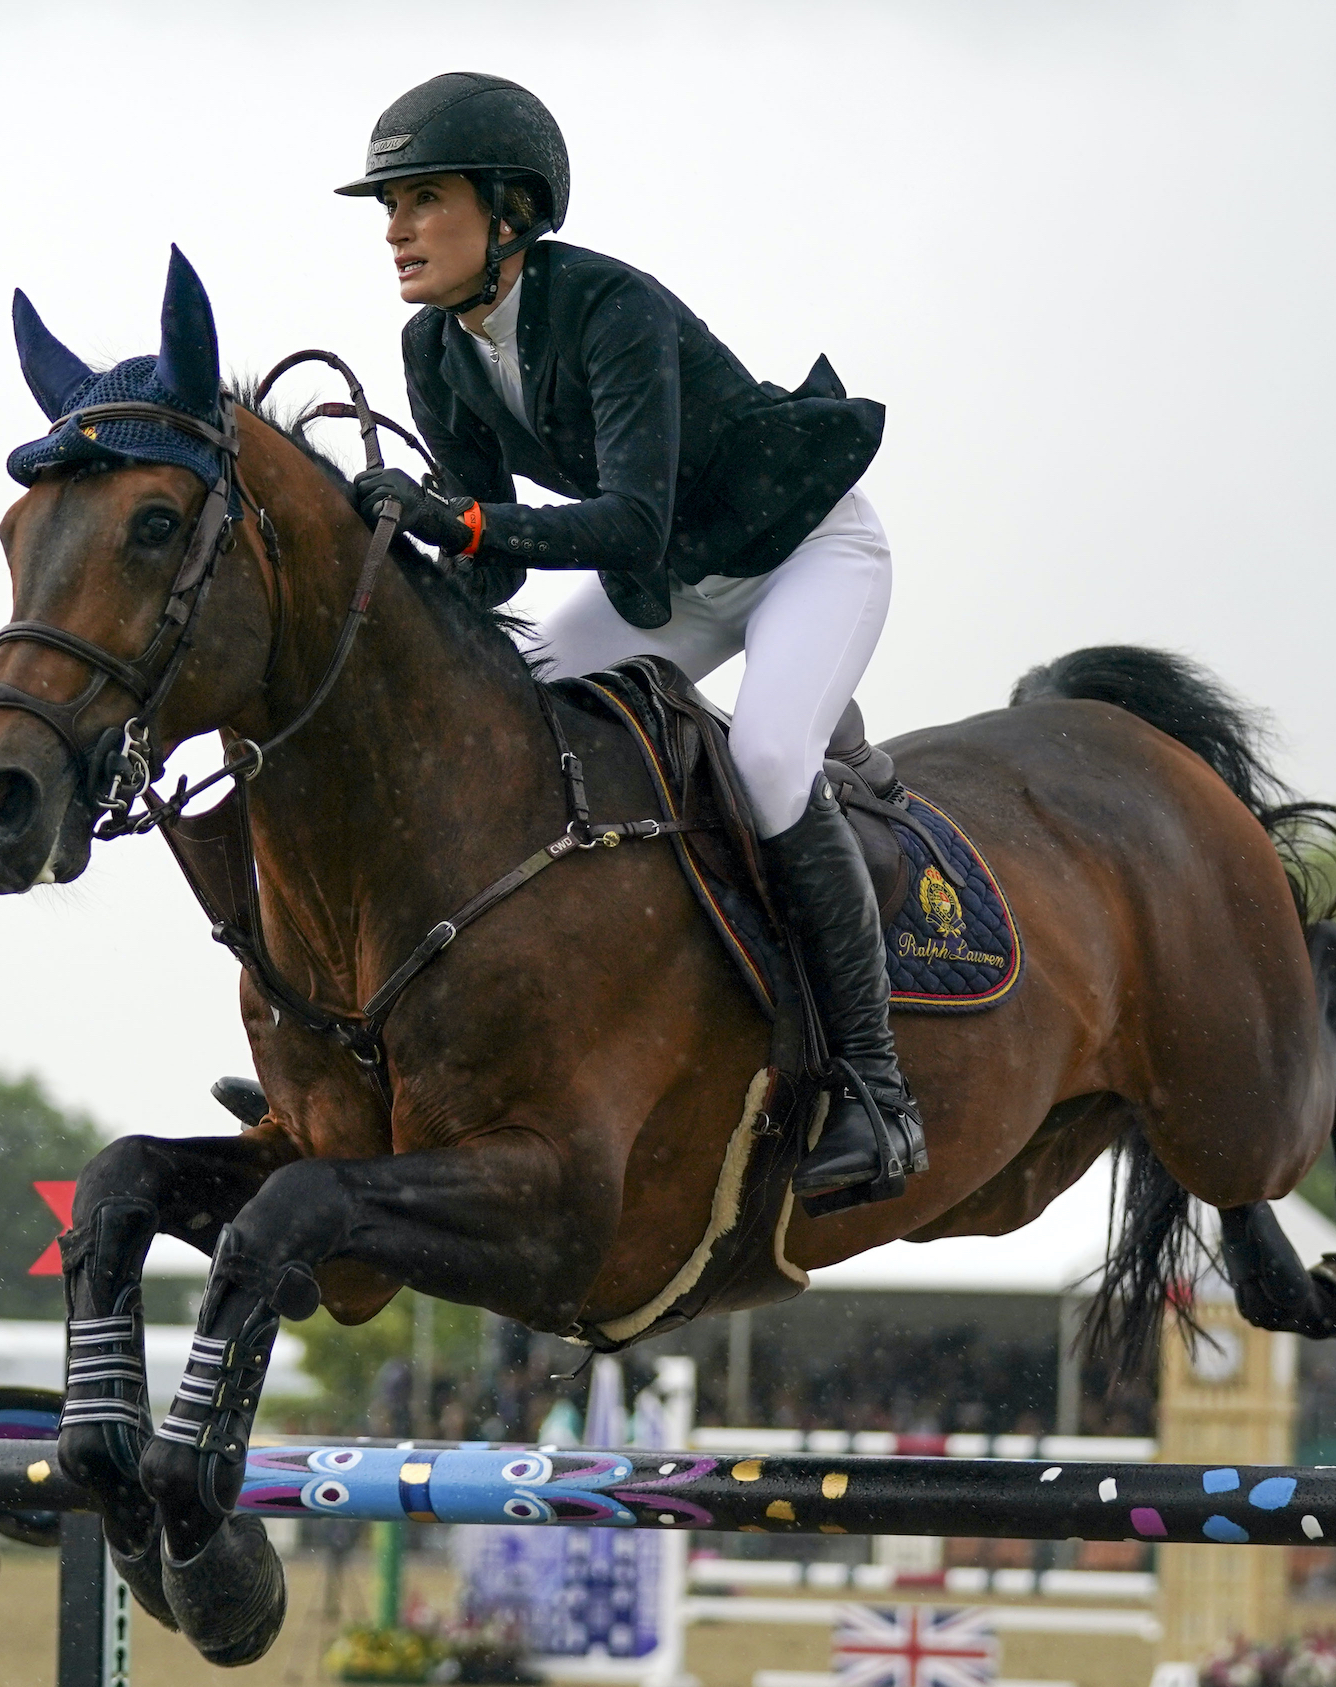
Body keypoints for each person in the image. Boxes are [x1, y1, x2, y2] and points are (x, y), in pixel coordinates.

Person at [341, 72, 924, 1212]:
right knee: (511, 706)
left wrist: (458, 518)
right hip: (676, 586)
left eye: (423, 199)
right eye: (389, 207)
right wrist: (410, 542)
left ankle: (877, 1087)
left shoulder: (609, 308)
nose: (398, 229)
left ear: (509, 210)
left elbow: (626, 519)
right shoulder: (436, 352)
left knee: (764, 762)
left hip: (804, 550)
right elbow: (499, 561)